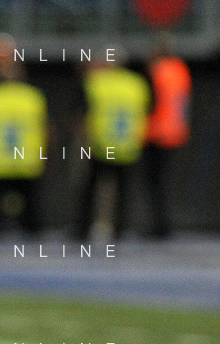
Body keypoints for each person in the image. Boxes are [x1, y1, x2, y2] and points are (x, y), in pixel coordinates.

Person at [0, 34, 46, 235]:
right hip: (16, 160)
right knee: (9, 208)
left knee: (13, 208)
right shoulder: (31, 96)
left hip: (0, 160)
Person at [73, 55, 150, 241]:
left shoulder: (95, 82)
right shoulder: (137, 83)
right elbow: (148, 109)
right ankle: (120, 229)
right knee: (124, 191)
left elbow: (81, 111)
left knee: (90, 189)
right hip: (128, 144)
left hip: (100, 144)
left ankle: (82, 229)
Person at [143, 36, 191, 238]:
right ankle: (163, 225)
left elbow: (149, 101)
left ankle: (159, 227)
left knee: (155, 184)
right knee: (163, 183)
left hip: (156, 132)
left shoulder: (157, 70)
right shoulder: (180, 69)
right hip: (175, 131)